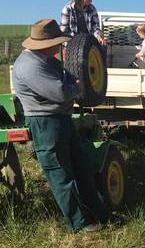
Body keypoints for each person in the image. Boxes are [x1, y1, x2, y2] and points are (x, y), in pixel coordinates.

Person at [12, 19, 109, 232]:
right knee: (61, 175)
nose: (59, 46)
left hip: (61, 120)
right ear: (46, 44)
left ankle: (99, 215)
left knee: (81, 168)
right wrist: (76, 87)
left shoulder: (47, 60)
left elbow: (67, 77)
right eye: (56, 42)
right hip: (46, 124)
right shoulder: (30, 65)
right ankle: (79, 224)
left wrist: (71, 84)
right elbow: (61, 92)